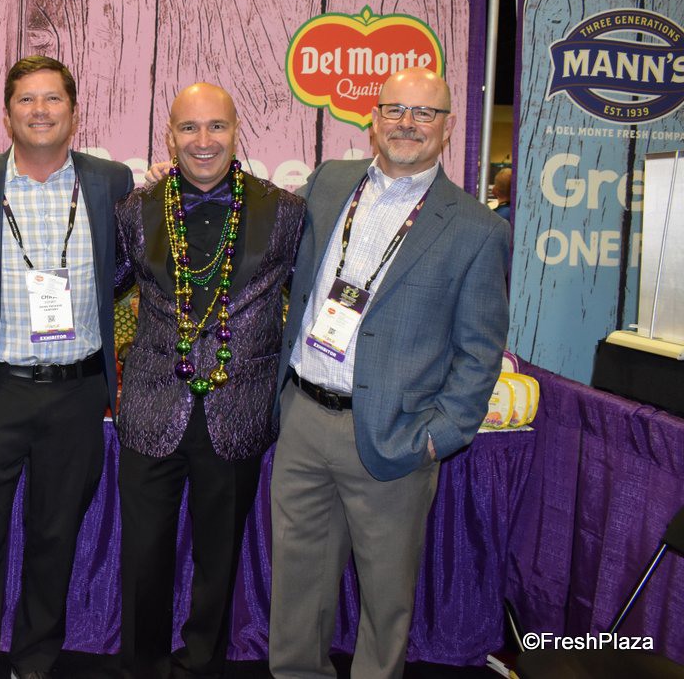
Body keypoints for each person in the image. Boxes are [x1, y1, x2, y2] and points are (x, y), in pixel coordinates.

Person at [268, 67, 510, 679]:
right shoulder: (329, 183)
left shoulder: (478, 230)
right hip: (303, 418)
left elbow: (480, 352)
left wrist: (437, 435)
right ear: (373, 120)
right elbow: (275, 254)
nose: (408, 123)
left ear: (448, 127)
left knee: (385, 598)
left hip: (395, 435)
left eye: (425, 113)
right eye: (395, 109)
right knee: (297, 587)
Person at [0, 55, 133, 679]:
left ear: (74, 112)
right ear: (7, 114)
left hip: (77, 393)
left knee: (54, 538)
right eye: (26, 99)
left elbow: (129, 268)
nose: (40, 110)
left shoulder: (111, 182)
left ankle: (34, 662)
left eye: (53, 99)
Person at [113, 83, 305, 678]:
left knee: (218, 559)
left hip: (238, 409)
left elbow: (310, 300)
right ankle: (143, 666)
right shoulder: (135, 209)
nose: (203, 140)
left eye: (216, 126)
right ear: (170, 134)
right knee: (144, 555)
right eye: (189, 127)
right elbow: (104, 287)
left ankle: (200, 664)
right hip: (151, 406)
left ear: (236, 130)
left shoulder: (286, 211)